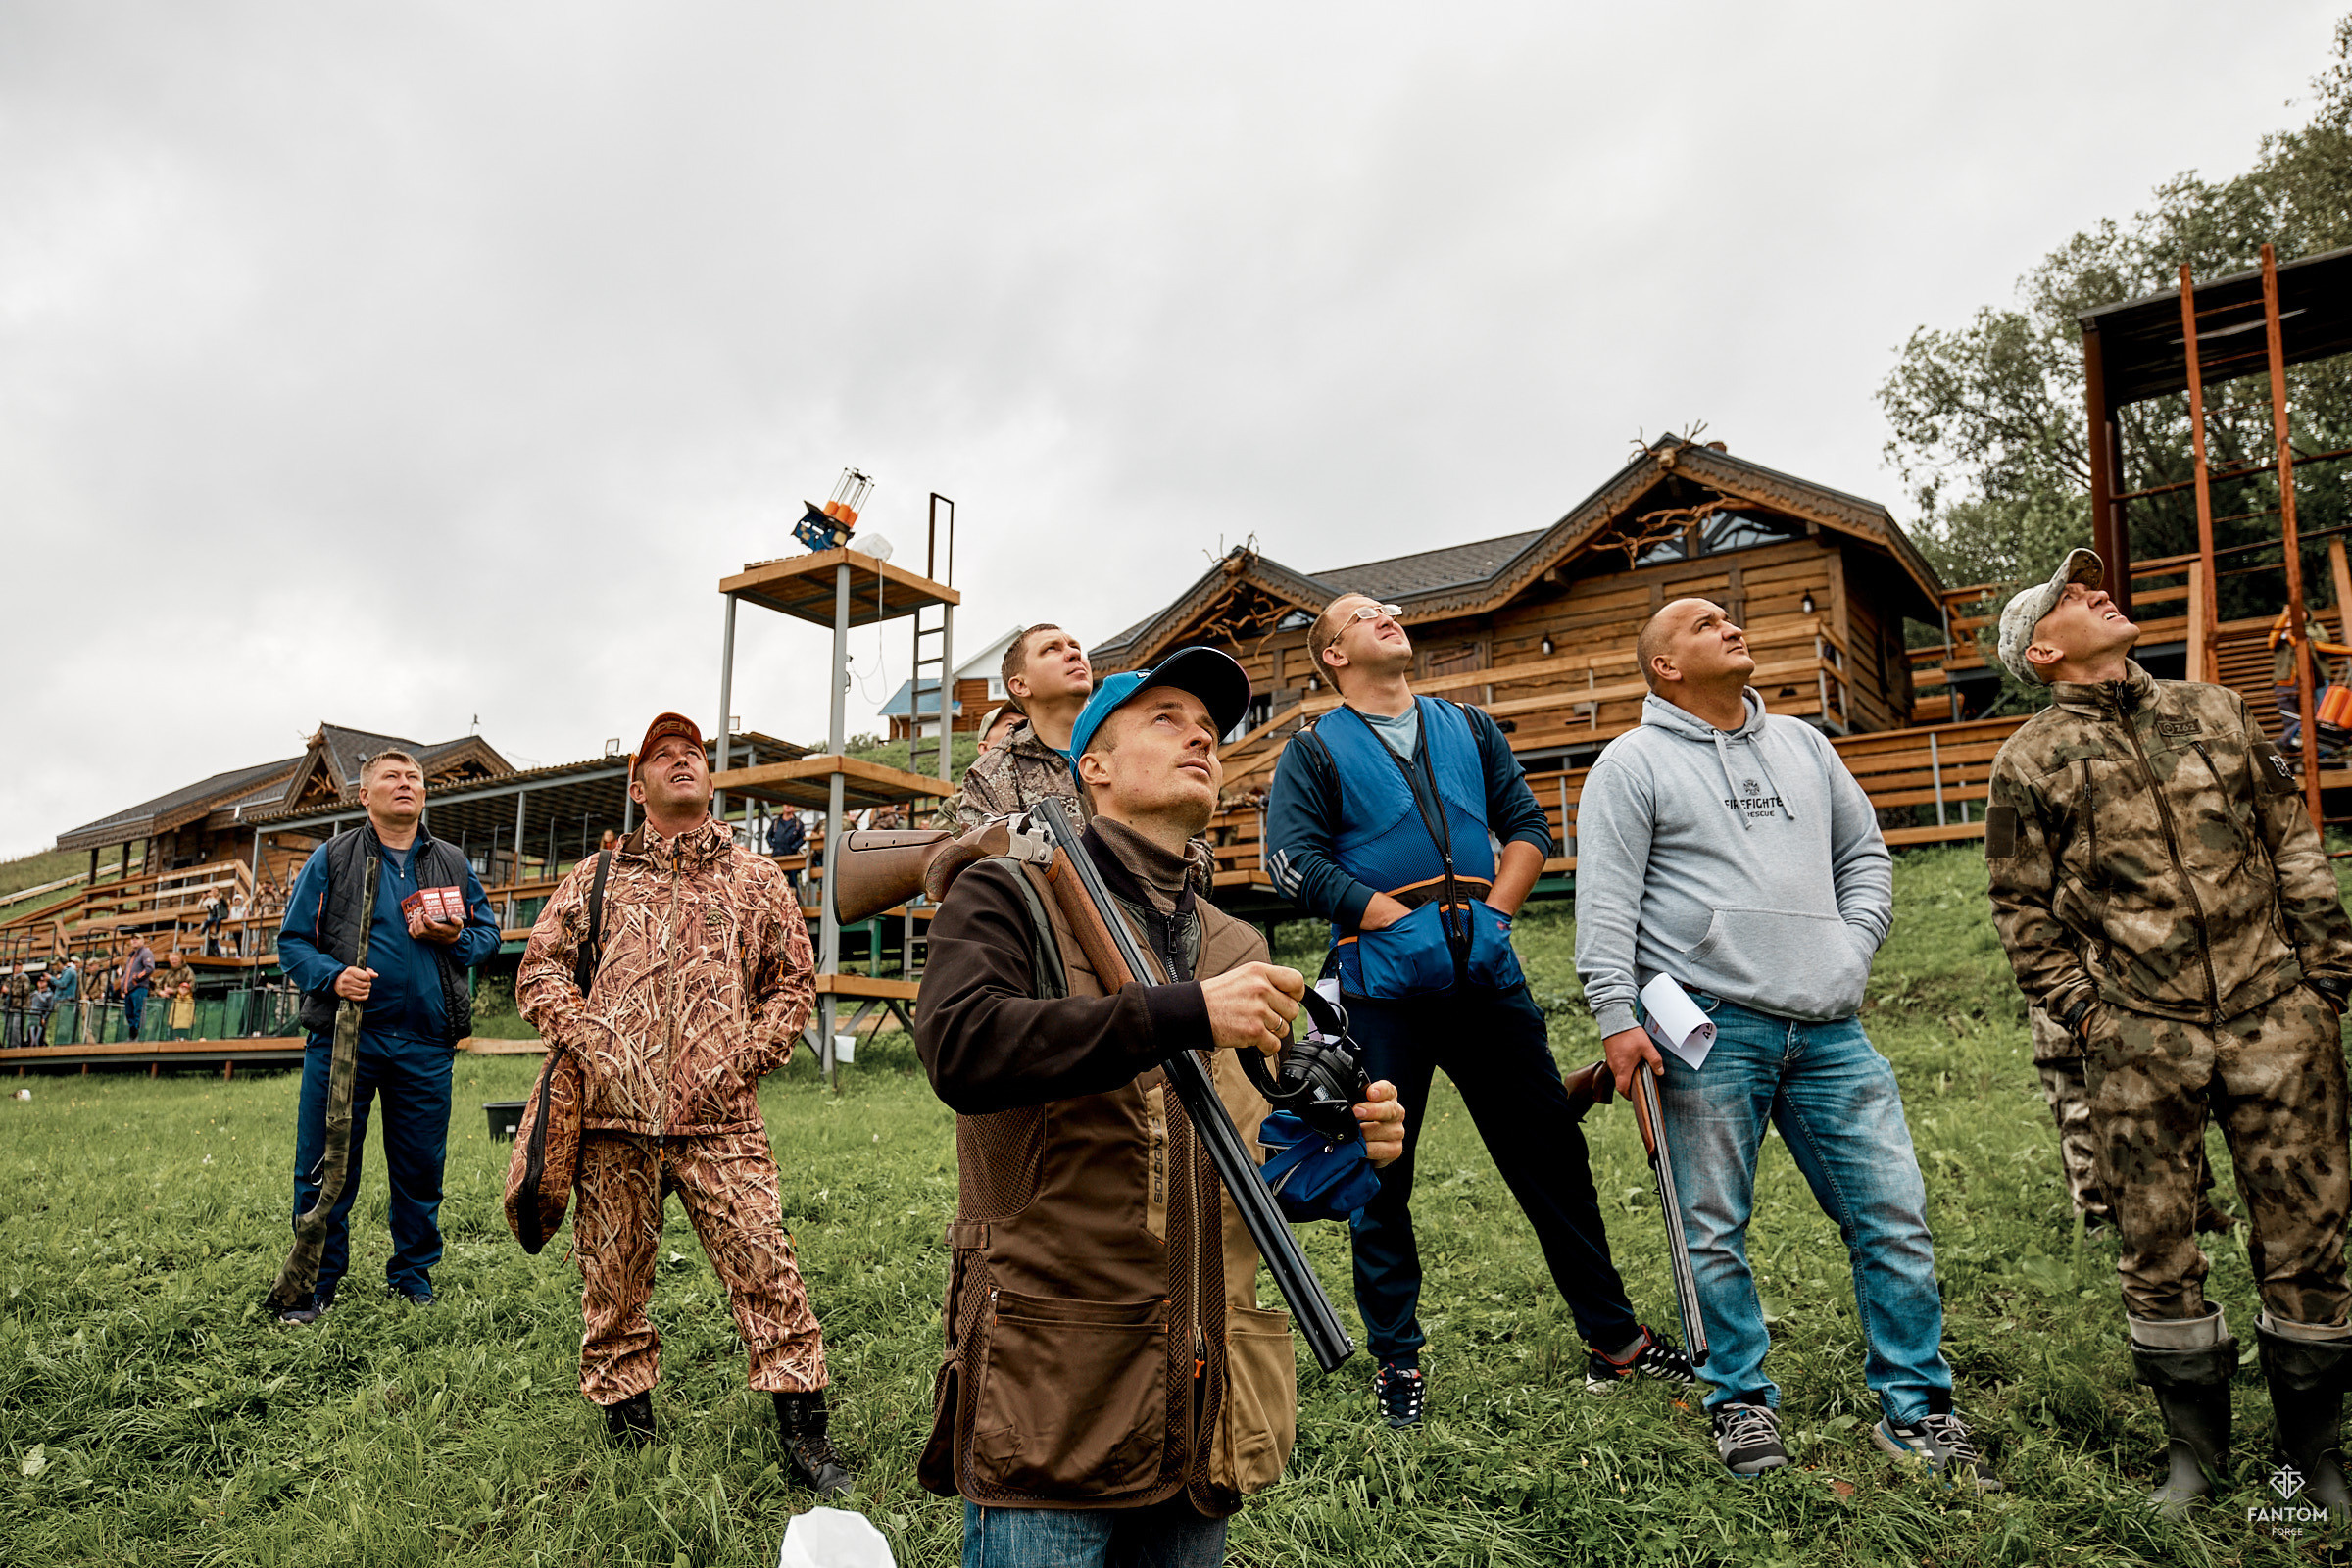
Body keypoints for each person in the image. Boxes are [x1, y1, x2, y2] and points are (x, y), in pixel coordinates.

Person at [914, 647, 1407, 1565]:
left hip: (1207, 1392)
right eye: (1167, 719)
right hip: (1055, 1393)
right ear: (1092, 765)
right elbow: (960, 1045)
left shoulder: (1234, 940)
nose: (1202, 738)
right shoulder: (1007, 894)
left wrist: (1347, 1148)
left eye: (1210, 728)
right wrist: (1182, 1012)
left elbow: (1241, 1163)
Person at [1576, 596, 1990, 1487]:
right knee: (1711, 1227)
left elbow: (1865, 855)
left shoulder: (1806, 744)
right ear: (1664, 667)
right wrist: (1615, 1018)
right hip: (1708, 1026)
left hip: (1832, 1029)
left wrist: (1852, 945)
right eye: (1704, 624)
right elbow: (1606, 904)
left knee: (1893, 1215)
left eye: (1731, 618)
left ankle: (1919, 1411)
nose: (1731, 627)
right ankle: (1739, 1402)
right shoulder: (1631, 763)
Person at [1265, 594, 1691, 1429]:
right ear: (1333, 656)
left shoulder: (1468, 726)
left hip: (1488, 978)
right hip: (1380, 989)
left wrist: (1495, 915)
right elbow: (1292, 862)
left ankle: (1614, 1339)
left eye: (1390, 608)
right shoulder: (1312, 751)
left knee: (1552, 1152)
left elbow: (1527, 825)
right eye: (1364, 615)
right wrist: (1393, 920)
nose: (1387, 616)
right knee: (1381, 1173)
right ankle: (1397, 1359)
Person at [1985, 548, 2352, 1517]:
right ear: (2042, 651)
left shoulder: (2216, 710)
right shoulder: (2028, 760)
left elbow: (2291, 838)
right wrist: (2088, 1012)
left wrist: (2326, 975)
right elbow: (2020, 905)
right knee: (2157, 1247)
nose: (2097, 591)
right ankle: (2194, 1455)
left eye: (2092, 583)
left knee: (2310, 1235)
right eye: (2072, 596)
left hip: (2278, 1016)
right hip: (2141, 1038)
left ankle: (2315, 1455)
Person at [517, 712, 850, 1490]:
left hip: (721, 1120)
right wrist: (589, 1039)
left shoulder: (754, 879)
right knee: (613, 1282)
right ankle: (629, 1433)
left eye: (692, 753)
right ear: (638, 787)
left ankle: (806, 1438)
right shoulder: (596, 878)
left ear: (709, 778)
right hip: (610, 1123)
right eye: (663, 755)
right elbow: (539, 969)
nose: (681, 761)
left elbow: (792, 982)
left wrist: (746, 1056)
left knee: (765, 1265)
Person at [274, 750, 502, 1322]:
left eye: (414, 778)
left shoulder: (451, 861)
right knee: (326, 1162)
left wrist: (455, 938)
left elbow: (488, 936)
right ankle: (316, 1282)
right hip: (347, 1039)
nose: (405, 784)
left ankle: (412, 1277)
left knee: (420, 1168)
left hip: (427, 1040)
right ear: (364, 795)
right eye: (392, 777)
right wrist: (333, 976)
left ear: (424, 794)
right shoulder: (333, 858)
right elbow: (293, 941)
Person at [951, 624, 1096, 830]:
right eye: (1051, 648)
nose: (1074, 653)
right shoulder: (989, 776)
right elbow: (986, 850)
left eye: (1075, 647)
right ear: (1021, 685)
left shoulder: (1130, 742)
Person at [119, 936, 155, 1039]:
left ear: (143, 940)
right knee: (129, 1013)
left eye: (137, 938)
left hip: (139, 987)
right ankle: (132, 1035)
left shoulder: (146, 952)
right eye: (133, 939)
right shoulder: (131, 955)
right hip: (129, 989)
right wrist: (123, 986)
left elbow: (149, 968)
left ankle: (140, 1035)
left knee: (138, 1012)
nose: (134, 940)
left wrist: (137, 978)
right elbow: (127, 972)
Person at [157, 949, 197, 1040]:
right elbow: (158, 985)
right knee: (169, 1030)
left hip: (183, 1005)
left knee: (182, 1030)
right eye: (172, 959)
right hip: (169, 1005)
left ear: (180, 959)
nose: (174, 961)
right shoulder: (168, 973)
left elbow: (190, 987)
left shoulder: (187, 971)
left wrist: (173, 990)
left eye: (176, 959)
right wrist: (161, 992)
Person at [46, 953, 76, 1046]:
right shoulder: (65, 972)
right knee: (59, 1024)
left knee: (64, 1024)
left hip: (65, 1002)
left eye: (55, 965)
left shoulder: (69, 972)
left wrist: (51, 978)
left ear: (59, 964)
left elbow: (62, 984)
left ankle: (63, 1043)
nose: (54, 968)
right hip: (61, 1001)